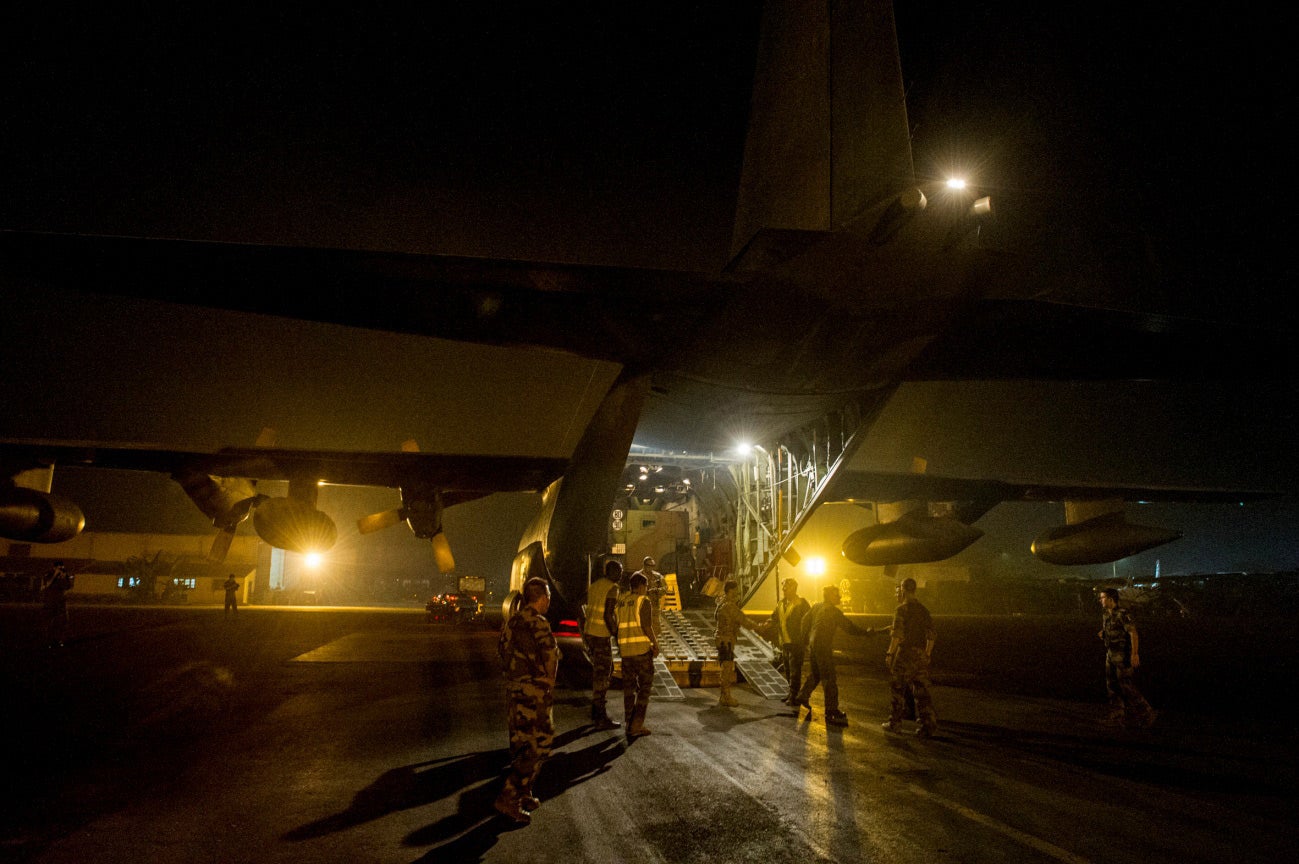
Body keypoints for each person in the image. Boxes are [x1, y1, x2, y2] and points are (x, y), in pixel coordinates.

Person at [494, 577, 559, 824]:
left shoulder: (512, 621)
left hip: (514, 692)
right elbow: (551, 660)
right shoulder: (539, 623)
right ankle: (508, 797)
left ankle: (523, 792)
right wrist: (547, 685)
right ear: (543, 598)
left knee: (521, 744)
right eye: (548, 596)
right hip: (535, 694)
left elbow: (501, 651)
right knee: (540, 744)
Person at [794, 584, 874, 726]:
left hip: (813, 646)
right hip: (823, 647)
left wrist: (806, 641)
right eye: (837, 594)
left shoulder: (816, 606)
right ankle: (831, 710)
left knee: (816, 673)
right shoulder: (833, 611)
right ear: (830, 596)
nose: (840, 597)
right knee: (829, 677)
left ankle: (802, 695)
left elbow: (804, 621)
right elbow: (849, 627)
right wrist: (866, 633)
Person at [882, 578, 939, 739]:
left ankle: (895, 723)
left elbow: (897, 635)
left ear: (904, 590)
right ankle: (927, 726)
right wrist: (927, 653)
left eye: (899, 589)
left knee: (898, 688)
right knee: (922, 692)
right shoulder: (923, 610)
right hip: (921, 654)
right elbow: (931, 635)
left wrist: (889, 653)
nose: (897, 593)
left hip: (905, 653)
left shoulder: (901, 610)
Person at [1097, 587, 1157, 728]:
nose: (1100, 600)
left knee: (1126, 685)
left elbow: (1133, 633)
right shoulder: (1106, 614)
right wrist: (1103, 633)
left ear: (1111, 599)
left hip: (1121, 654)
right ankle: (1118, 716)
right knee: (1112, 685)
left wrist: (1134, 654)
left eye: (1103, 597)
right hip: (1110, 654)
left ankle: (1147, 713)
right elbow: (1109, 629)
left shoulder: (1123, 614)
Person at [614, 571, 658, 739]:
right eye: (646, 586)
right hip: (641, 651)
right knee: (644, 689)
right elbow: (647, 626)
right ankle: (636, 725)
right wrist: (655, 644)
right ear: (640, 586)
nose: (646, 589)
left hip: (626, 653)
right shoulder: (643, 601)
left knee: (629, 690)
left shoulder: (622, 602)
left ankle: (628, 722)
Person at [583, 559, 622, 730]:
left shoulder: (595, 585)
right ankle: (600, 717)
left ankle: (595, 712)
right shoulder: (612, 588)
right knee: (603, 674)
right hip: (601, 635)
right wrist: (617, 635)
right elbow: (608, 615)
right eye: (619, 571)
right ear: (611, 572)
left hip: (590, 633)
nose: (621, 575)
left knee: (602, 670)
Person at [765, 577, 811, 706]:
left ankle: (794, 696)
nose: (784, 590)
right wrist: (766, 624)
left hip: (796, 643)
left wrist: (806, 640)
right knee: (788, 670)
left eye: (786, 587)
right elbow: (774, 617)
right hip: (784, 642)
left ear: (794, 588)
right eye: (783, 587)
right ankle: (791, 693)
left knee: (795, 670)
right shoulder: (781, 603)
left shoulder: (801, 603)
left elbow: (809, 620)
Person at [713, 579, 759, 707]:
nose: (737, 593)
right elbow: (744, 621)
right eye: (736, 591)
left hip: (721, 639)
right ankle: (726, 697)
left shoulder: (721, 603)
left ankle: (724, 696)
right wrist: (760, 627)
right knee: (727, 669)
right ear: (731, 590)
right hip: (726, 639)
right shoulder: (729, 606)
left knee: (724, 668)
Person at [40, 560, 74, 648]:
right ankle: (48, 641)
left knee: (63, 621)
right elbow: (47, 585)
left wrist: (65, 577)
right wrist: (55, 575)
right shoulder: (49, 574)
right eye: (59, 568)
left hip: (62, 601)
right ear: (54, 567)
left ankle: (60, 640)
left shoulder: (64, 575)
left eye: (62, 568)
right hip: (50, 601)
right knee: (50, 622)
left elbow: (68, 587)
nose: (61, 570)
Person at [633, 556, 666, 633]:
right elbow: (632, 589)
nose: (651, 568)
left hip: (654, 605)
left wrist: (657, 591)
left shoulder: (657, 576)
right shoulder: (637, 575)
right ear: (644, 565)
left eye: (653, 566)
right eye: (649, 565)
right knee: (641, 626)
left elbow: (665, 588)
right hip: (640, 605)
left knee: (655, 627)